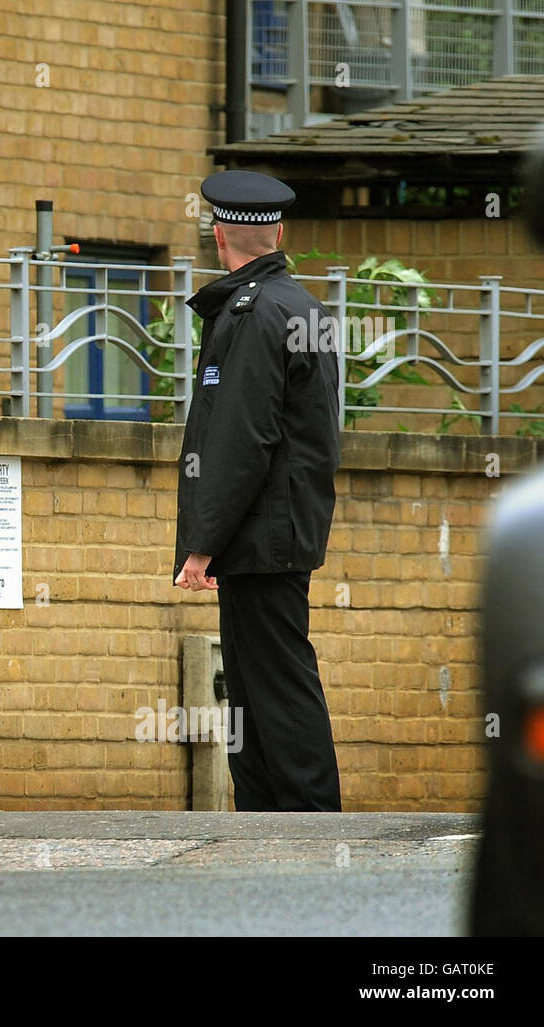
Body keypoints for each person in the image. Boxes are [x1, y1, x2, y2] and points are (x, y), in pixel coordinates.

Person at [172, 169, 342, 812]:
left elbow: (240, 440)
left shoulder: (253, 313)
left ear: (222, 235)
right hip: (282, 527)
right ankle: (272, 820)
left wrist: (201, 545)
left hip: (260, 533)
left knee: (273, 683)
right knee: (254, 684)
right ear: (276, 232)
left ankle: (309, 817)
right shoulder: (300, 306)